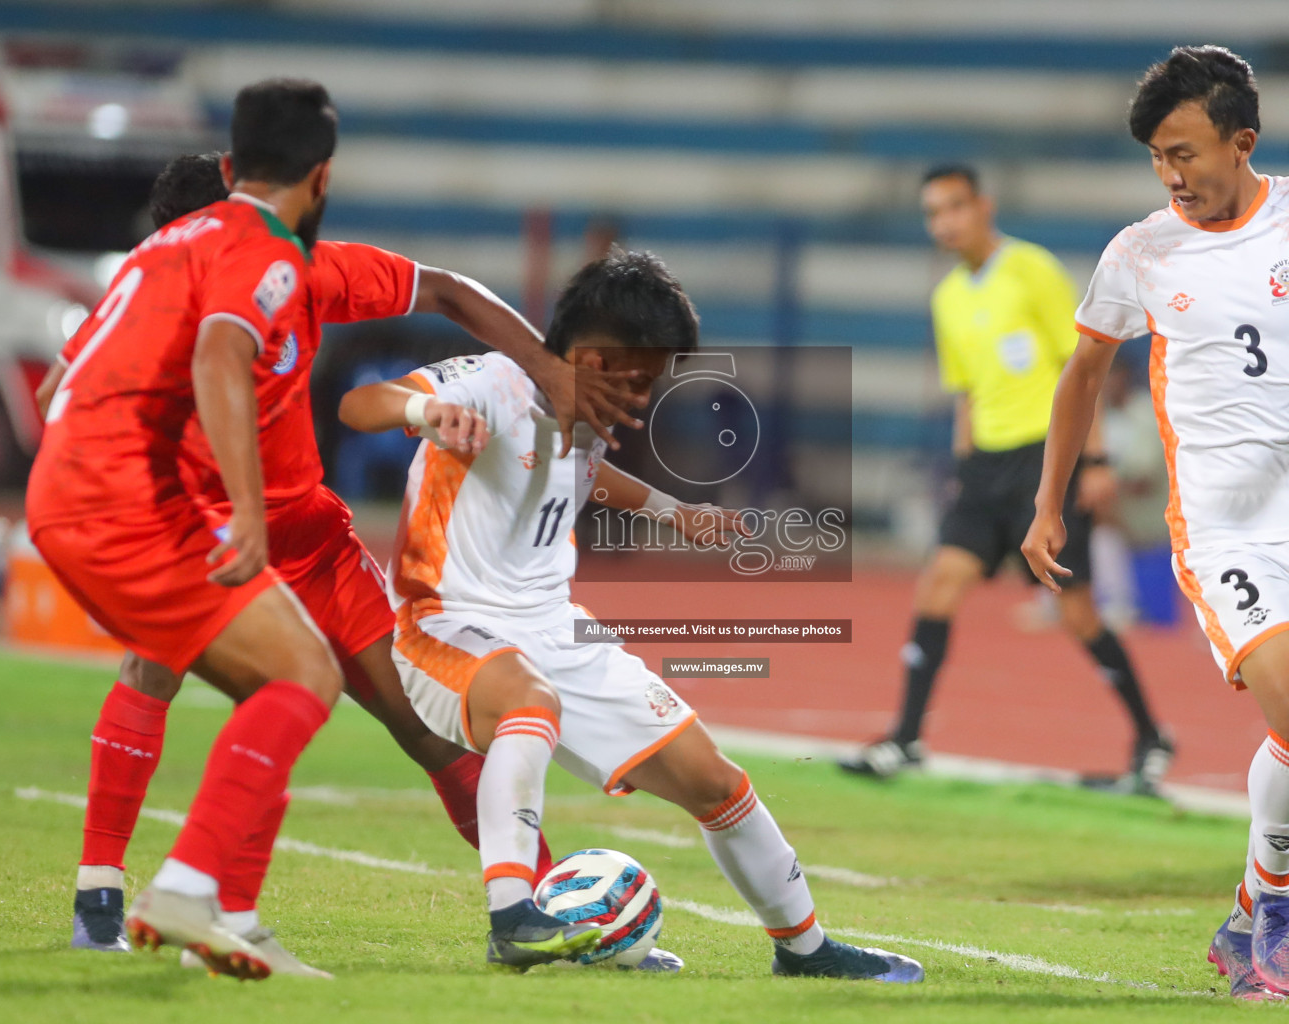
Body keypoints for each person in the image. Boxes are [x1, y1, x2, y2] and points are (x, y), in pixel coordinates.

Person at [43, 153, 658, 974]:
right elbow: (60, 395)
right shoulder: (157, 306)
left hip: (312, 543)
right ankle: (107, 899)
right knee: (170, 675)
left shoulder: (291, 270)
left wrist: (546, 370)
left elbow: (444, 289)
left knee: (425, 724)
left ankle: (536, 909)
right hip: (211, 542)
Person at [339, 248, 924, 981]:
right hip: (447, 627)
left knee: (718, 783)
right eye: (640, 379)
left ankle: (805, 952)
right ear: (589, 357)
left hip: (556, 633)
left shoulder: (583, 411)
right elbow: (360, 404)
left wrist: (672, 511)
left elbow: (581, 472)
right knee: (529, 704)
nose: (645, 398)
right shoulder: (493, 383)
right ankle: (514, 918)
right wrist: (427, 410)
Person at [1021, 47, 1289, 1000]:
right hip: (1223, 523)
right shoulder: (1140, 250)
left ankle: (1250, 903)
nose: (1171, 176)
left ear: (1242, 141)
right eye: (1157, 159)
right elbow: (1082, 374)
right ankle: (1283, 907)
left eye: (1186, 154)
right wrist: (1047, 503)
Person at [26, 78, 350, 981]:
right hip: (125, 503)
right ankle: (187, 888)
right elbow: (221, 353)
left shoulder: (164, 242)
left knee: (269, 681)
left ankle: (230, 915)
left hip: (62, 495)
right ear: (321, 177)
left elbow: (53, 391)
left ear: (229, 163)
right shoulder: (265, 247)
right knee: (309, 670)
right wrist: (246, 510)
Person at [837, 163, 1173, 792]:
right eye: (933, 213)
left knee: (1076, 615)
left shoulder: (1032, 270)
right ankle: (906, 737)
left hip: (1045, 461)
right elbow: (965, 393)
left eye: (954, 208)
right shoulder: (947, 298)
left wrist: (1093, 460)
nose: (945, 223)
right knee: (937, 587)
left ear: (983, 206)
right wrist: (963, 470)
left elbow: (1084, 368)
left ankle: (1151, 736)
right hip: (986, 469)